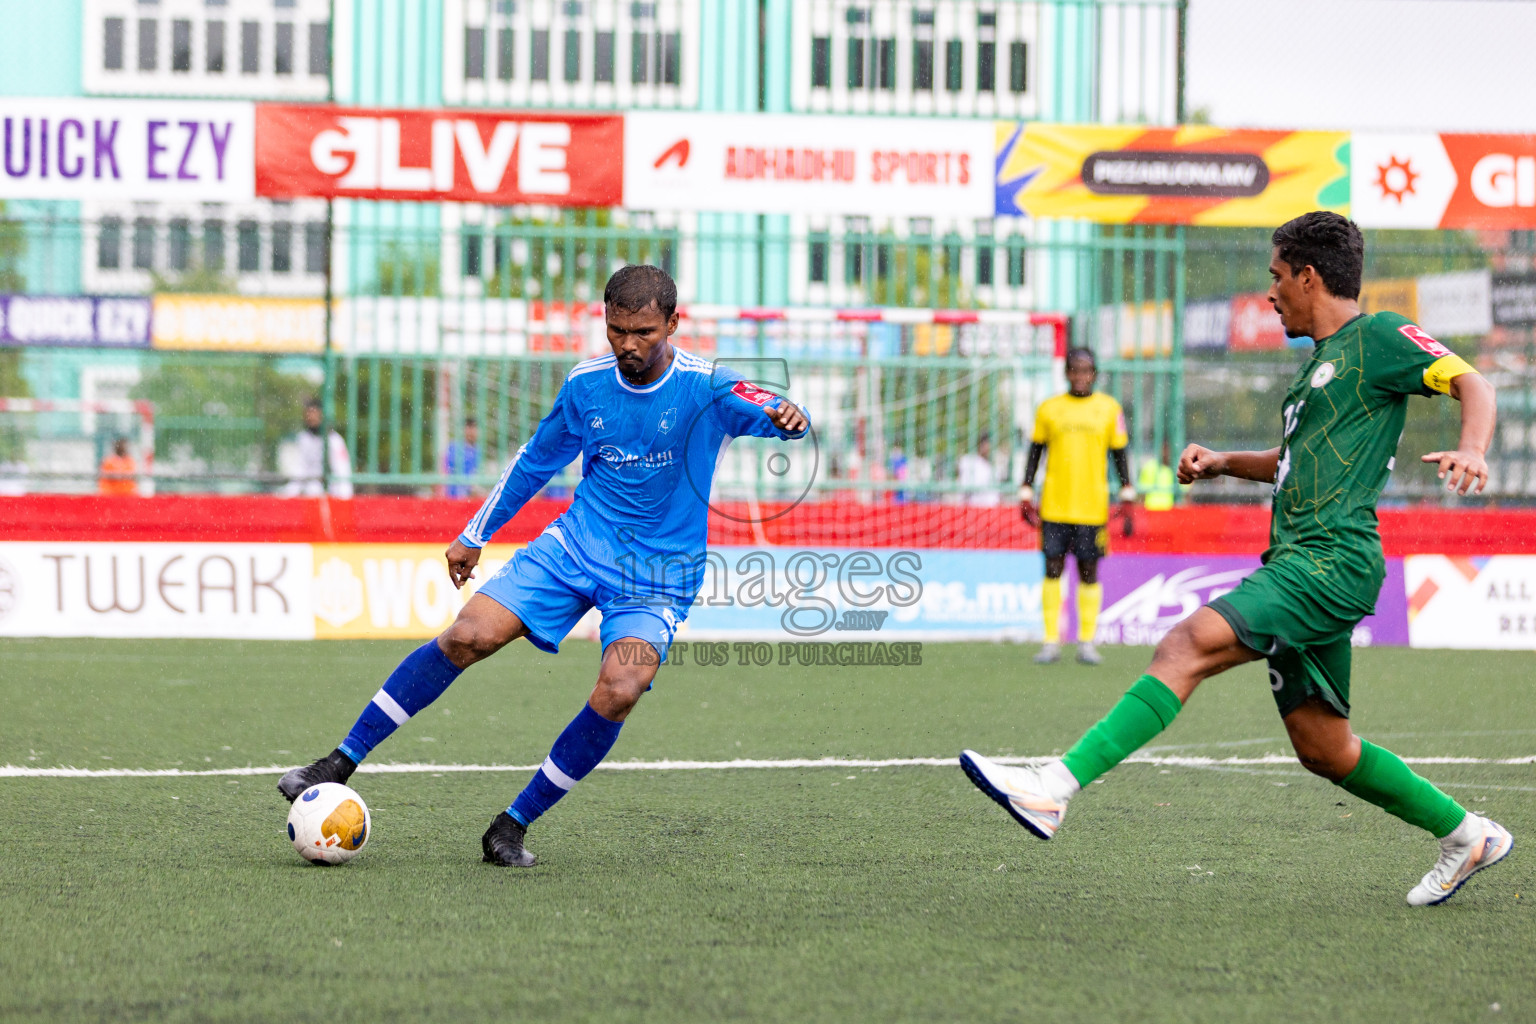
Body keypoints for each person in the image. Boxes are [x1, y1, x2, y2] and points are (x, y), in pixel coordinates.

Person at [961, 211, 1511, 907]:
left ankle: (1053, 787)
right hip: (1307, 559)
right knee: (1324, 748)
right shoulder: (1319, 368)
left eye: (1276, 277)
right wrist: (1224, 462)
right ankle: (1468, 834)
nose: (1270, 293)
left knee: (1185, 643)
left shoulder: (1378, 337)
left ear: (1309, 276)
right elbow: (1294, 461)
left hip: (1330, 559)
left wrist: (1473, 448)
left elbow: (1474, 383)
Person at [277, 265, 811, 867]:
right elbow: (535, 462)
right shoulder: (586, 385)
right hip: (577, 547)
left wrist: (787, 416)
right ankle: (338, 762)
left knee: (622, 687)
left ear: (672, 323)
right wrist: (475, 533)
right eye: (616, 331)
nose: (628, 345)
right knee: (468, 634)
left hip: (657, 577)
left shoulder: (707, 385)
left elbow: (775, 408)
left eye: (643, 332)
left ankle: (511, 825)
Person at [1019, 349, 1135, 666]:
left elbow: (1119, 453)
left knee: (1089, 572)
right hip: (1055, 506)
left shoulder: (1109, 409)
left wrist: (1127, 490)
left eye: (1086, 370)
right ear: (1067, 373)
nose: (1080, 376)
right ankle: (1050, 641)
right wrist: (1026, 489)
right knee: (1052, 569)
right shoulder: (1049, 409)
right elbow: (1035, 451)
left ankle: (1086, 641)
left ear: (1094, 374)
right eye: (1075, 370)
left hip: (1092, 508)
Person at [279, 398, 353, 499]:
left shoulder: (334, 440)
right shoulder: (303, 438)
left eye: (314, 413)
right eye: (308, 414)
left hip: (331, 494)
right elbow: (300, 469)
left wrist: (344, 499)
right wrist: (289, 494)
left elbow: (342, 470)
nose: (311, 418)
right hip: (309, 494)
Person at [956, 434, 1001, 507]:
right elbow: (963, 488)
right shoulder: (969, 461)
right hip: (973, 507)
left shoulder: (994, 468)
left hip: (990, 509)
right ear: (981, 445)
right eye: (987, 444)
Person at [443, 418, 482, 498]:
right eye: (469, 428)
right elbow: (445, 469)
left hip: (468, 494)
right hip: (453, 494)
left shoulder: (478, 450)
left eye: (474, 428)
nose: (471, 432)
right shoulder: (454, 447)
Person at [1138, 441, 1180, 511]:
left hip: (1169, 512)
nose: (1166, 453)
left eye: (1168, 450)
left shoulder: (1175, 469)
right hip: (1151, 511)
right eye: (1164, 450)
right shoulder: (1150, 467)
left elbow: (1184, 494)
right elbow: (1142, 494)